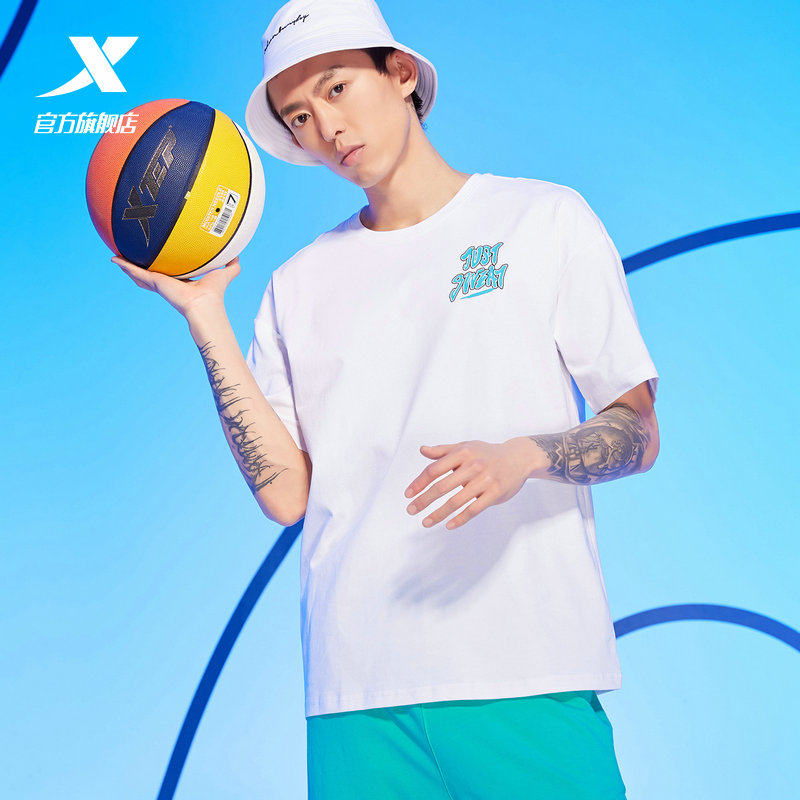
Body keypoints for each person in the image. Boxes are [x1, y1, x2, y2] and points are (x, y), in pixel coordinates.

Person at [114, 0, 660, 796]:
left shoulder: (542, 219)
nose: (326, 127)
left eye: (336, 88)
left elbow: (637, 431)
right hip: (356, 693)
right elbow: (285, 496)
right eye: (300, 116)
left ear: (400, 74)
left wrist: (524, 456)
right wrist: (205, 317)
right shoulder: (297, 285)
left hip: (524, 671)